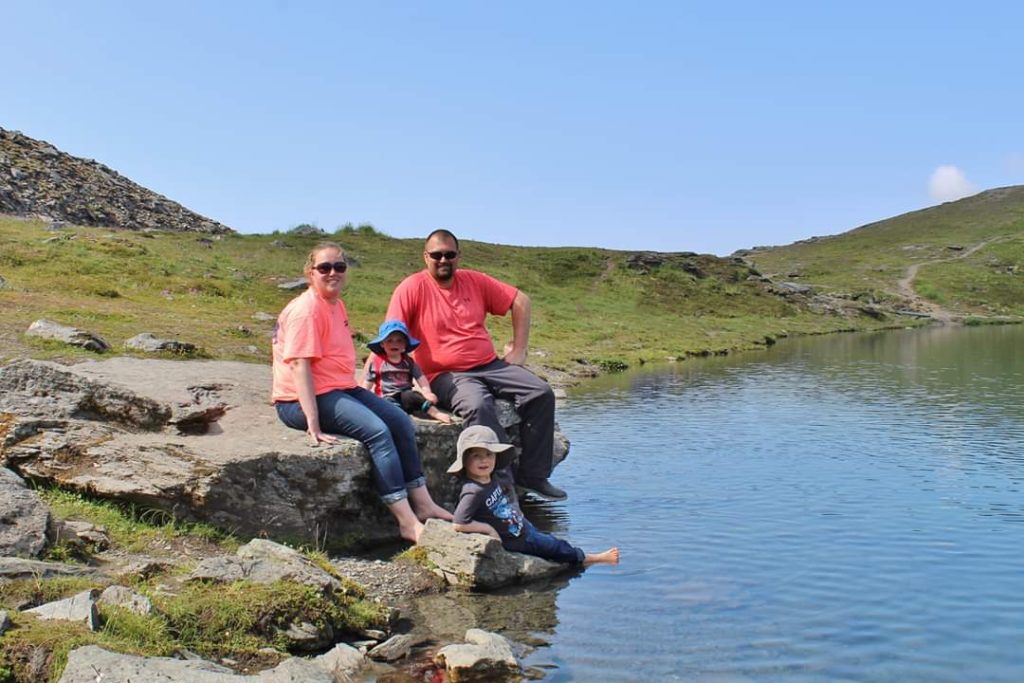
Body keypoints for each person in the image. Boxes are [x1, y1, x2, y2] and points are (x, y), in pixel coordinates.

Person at [271, 242, 452, 543]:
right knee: (377, 432)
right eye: (324, 268)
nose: (333, 273)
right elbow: (300, 367)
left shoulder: (335, 303)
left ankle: (423, 503)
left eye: (339, 267)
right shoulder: (306, 310)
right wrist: (312, 422)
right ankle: (407, 522)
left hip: (339, 387)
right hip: (300, 400)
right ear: (309, 273)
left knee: (400, 421)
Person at [385, 229, 567, 501]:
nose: (443, 259)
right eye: (437, 255)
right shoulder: (411, 287)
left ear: (458, 256)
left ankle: (533, 476)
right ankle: (500, 489)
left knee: (540, 392)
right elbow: (392, 331)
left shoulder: (474, 280)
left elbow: (520, 300)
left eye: (449, 254)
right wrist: (403, 376)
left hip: (489, 364)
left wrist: (519, 349)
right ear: (426, 257)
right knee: (479, 406)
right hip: (444, 373)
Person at [450, 426, 619, 566]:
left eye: (489, 454)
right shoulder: (473, 490)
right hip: (515, 541)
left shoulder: (490, 478)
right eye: (476, 456)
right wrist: (488, 529)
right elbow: (459, 523)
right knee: (556, 546)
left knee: (546, 540)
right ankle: (593, 558)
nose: (484, 460)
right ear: (465, 461)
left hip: (520, 527)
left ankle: (560, 553)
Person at [361, 320, 453, 424]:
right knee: (387, 405)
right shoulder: (378, 362)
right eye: (389, 340)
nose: (394, 343)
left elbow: (420, 378)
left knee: (414, 396)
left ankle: (434, 413)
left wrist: (427, 392)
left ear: (405, 344)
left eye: (399, 340)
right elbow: (367, 384)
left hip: (406, 396)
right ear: (382, 344)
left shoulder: (408, 362)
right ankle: (400, 416)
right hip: (387, 396)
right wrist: (363, 398)